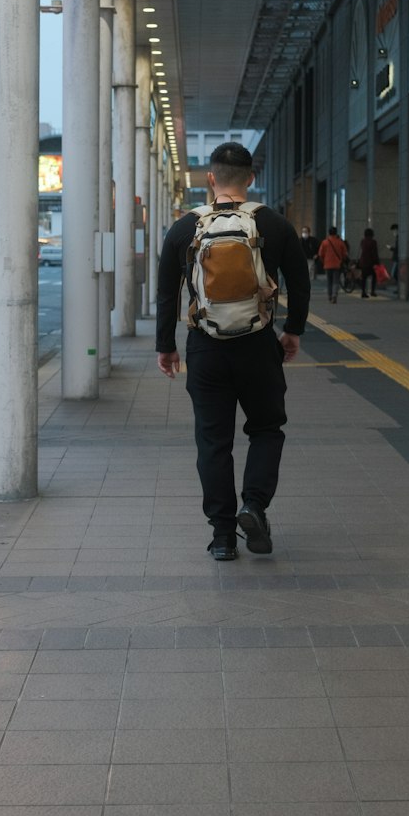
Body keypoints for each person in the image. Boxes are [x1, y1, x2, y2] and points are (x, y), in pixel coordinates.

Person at [156, 142, 311, 561]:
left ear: (211, 179)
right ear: (251, 179)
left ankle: (223, 536)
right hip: (259, 344)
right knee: (265, 429)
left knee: (213, 441)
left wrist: (166, 347)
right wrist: (292, 331)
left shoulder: (185, 227)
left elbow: (166, 290)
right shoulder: (273, 224)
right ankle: (253, 505)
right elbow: (300, 281)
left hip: (206, 348)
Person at [316, 225, 348, 303]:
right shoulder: (340, 242)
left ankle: (329, 296)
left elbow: (320, 254)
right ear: (336, 233)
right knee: (335, 281)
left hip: (327, 264)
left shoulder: (325, 242)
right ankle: (334, 295)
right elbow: (345, 254)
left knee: (329, 281)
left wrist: (324, 262)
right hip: (337, 264)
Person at [357, 226, 380, 298]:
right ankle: (372, 291)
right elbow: (374, 253)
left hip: (363, 262)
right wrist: (377, 262)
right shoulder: (373, 242)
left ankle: (363, 292)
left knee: (364, 278)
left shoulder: (362, 241)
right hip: (371, 263)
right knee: (374, 276)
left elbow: (361, 251)